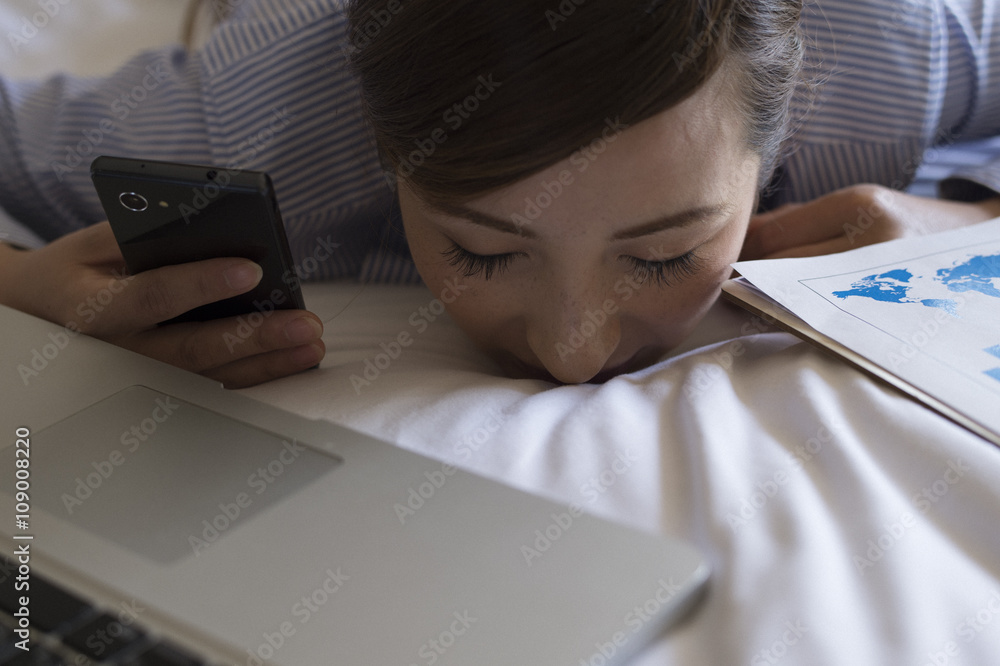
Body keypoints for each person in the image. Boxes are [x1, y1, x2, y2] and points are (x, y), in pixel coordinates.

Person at [1, 0, 998, 387]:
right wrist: (20, 288)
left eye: (660, 253)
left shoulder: (894, 45)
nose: (574, 355)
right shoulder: (259, 118)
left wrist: (970, 218)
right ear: (382, 144)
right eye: (480, 249)